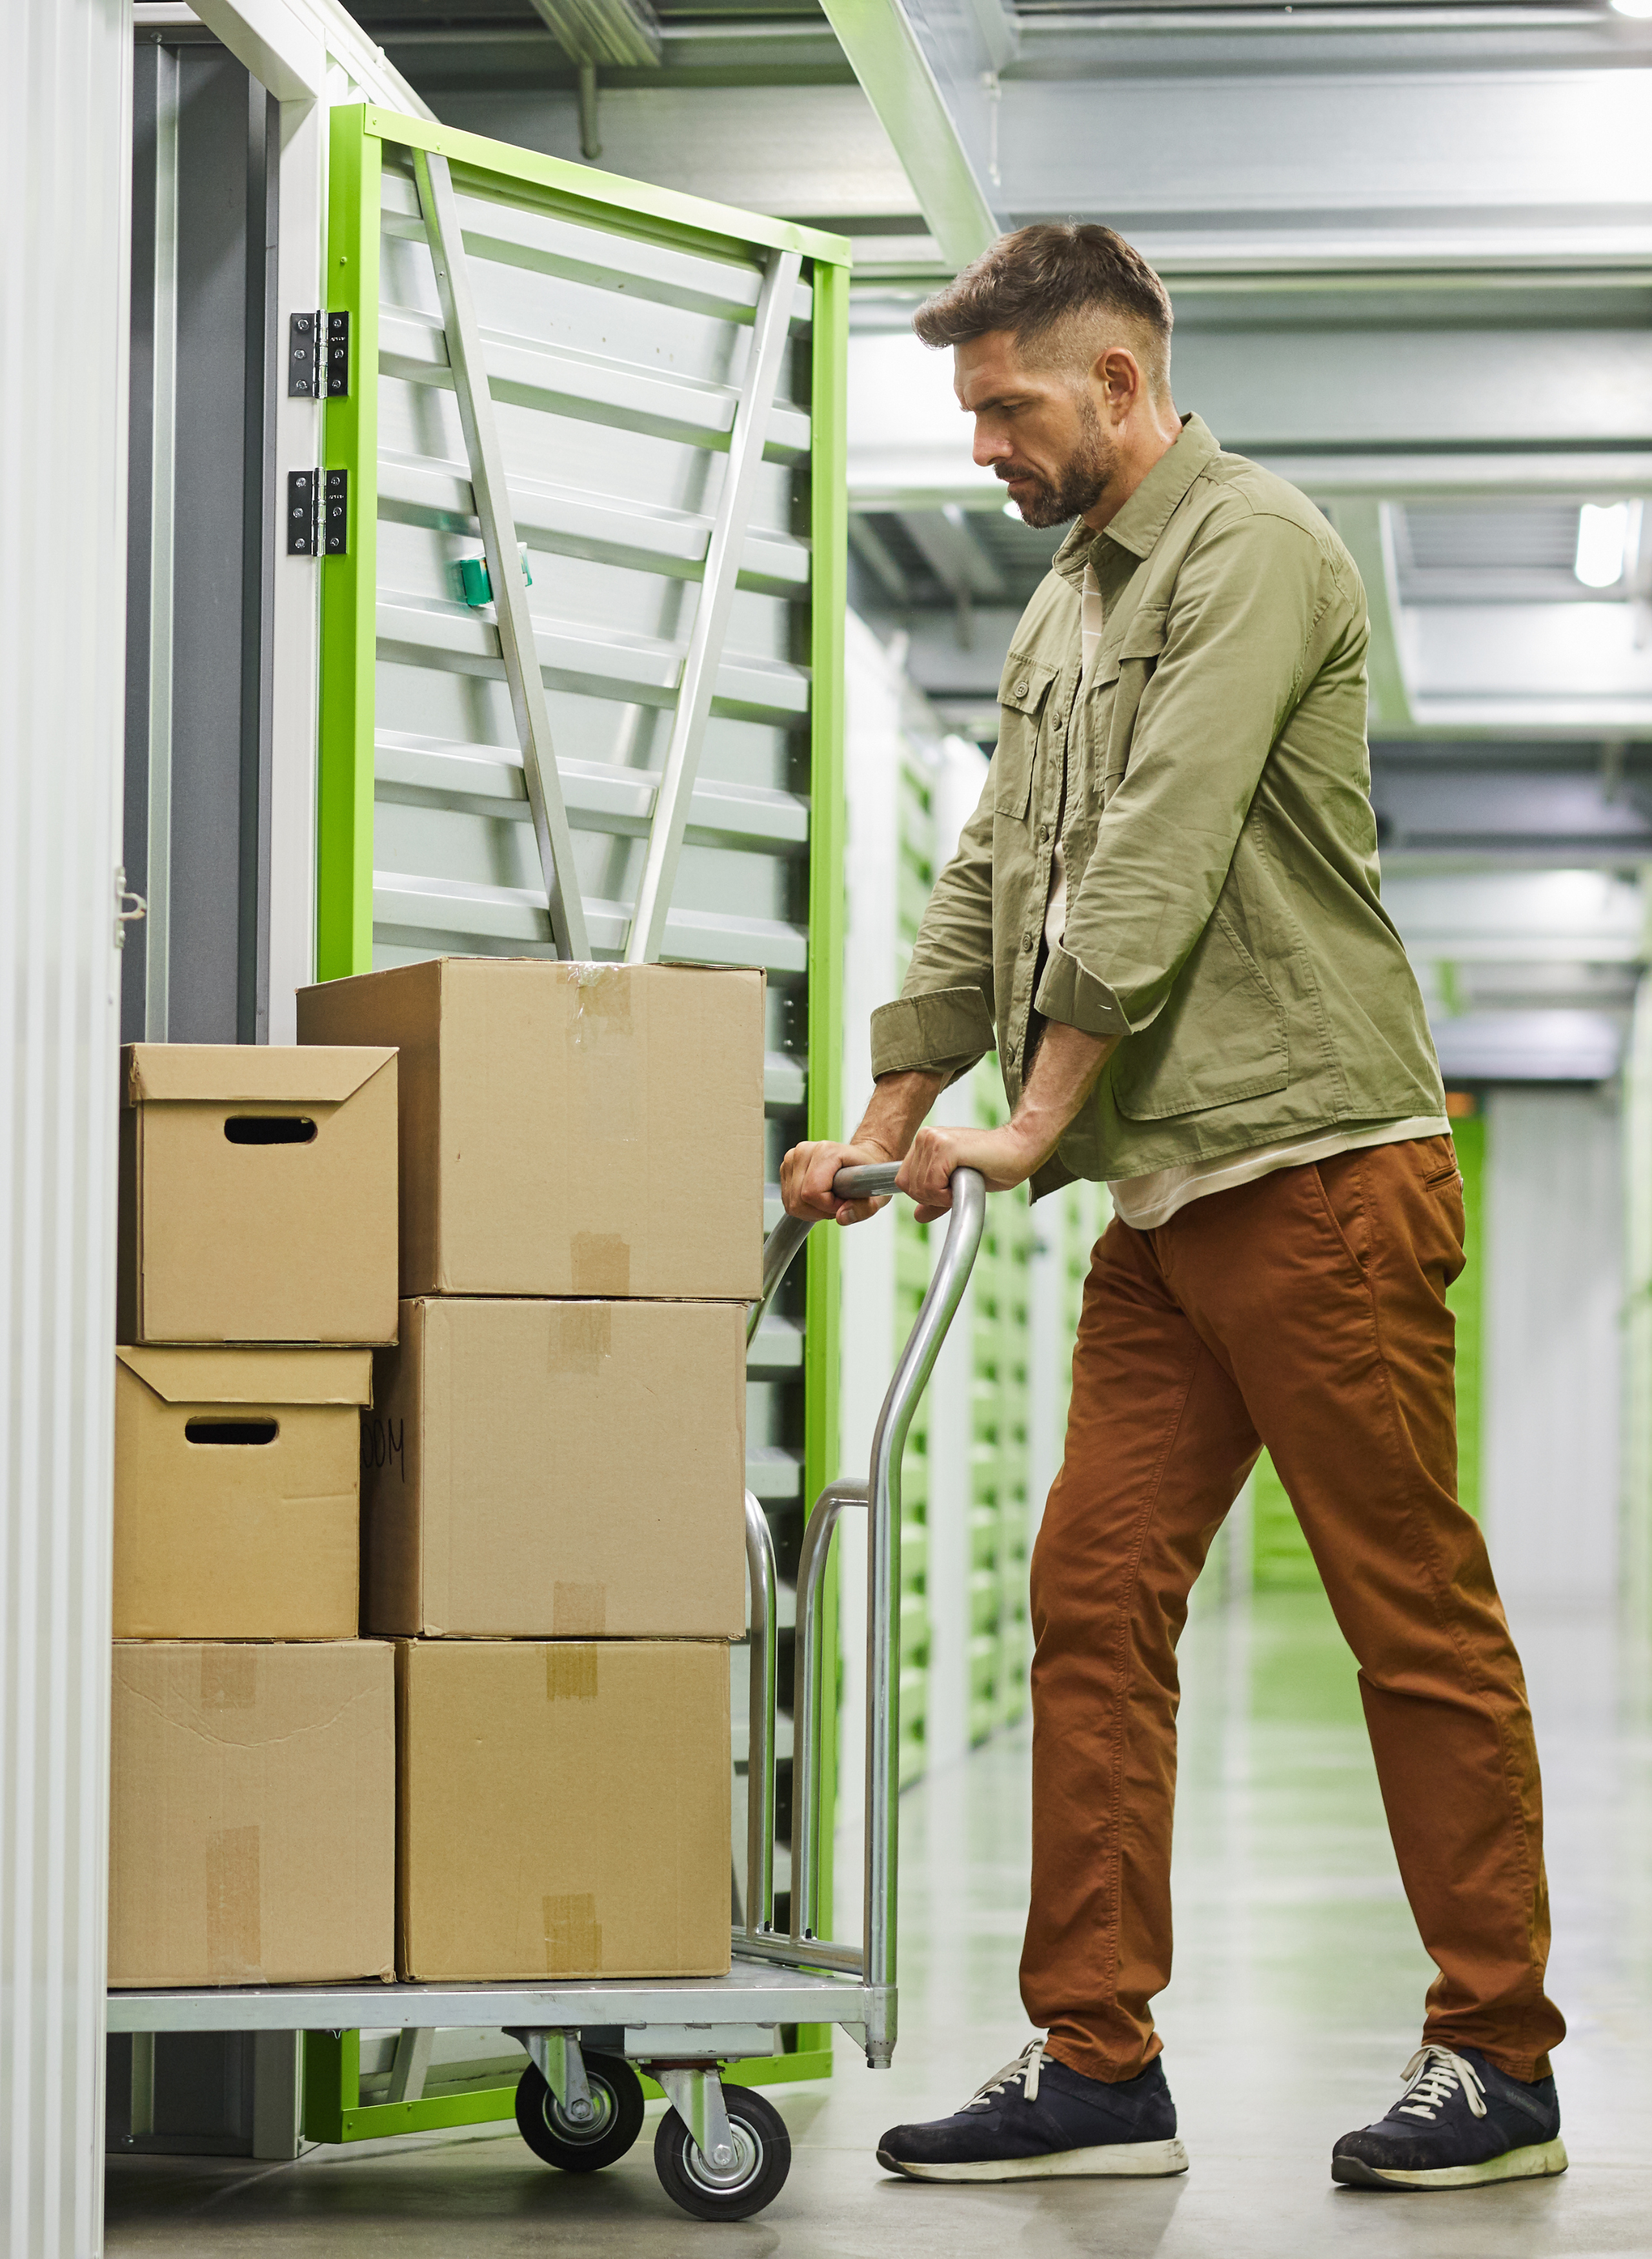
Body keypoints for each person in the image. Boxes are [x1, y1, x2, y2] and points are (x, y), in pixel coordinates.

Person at [781, 223, 1566, 2194]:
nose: (981, 444)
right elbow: (990, 886)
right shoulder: (1061, 607)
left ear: (1118, 384)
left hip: (1322, 1176)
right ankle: (1096, 2058)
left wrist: (1030, 1126)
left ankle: (1498, 2052)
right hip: (1165, 1213)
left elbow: (1160, 857)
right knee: (1090, 1593)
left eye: (1003, 405)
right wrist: (884, 1125)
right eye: (966, 413)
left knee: (1412, 1615)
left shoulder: (1263, 554)